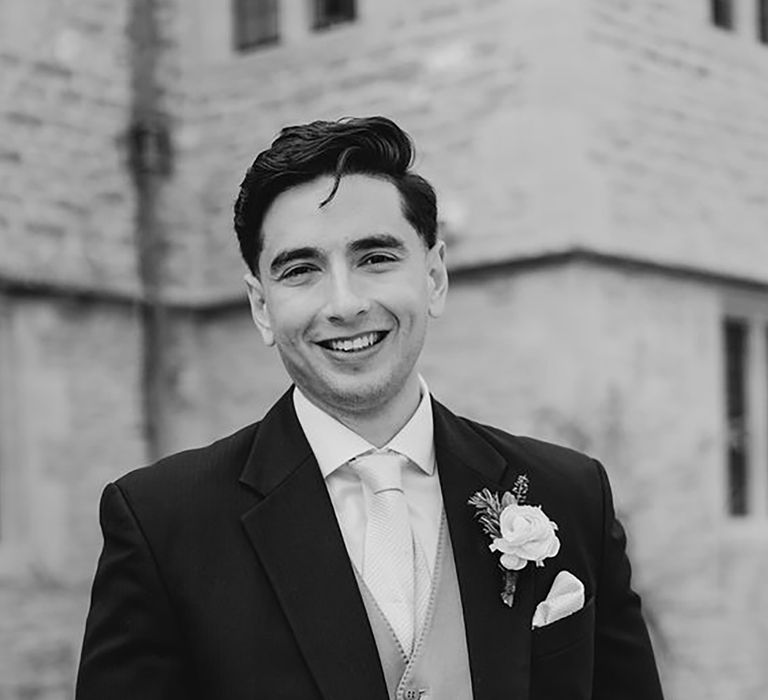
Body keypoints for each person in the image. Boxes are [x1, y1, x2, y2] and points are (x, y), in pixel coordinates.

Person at [76, 116, 664, 700]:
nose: (345, 303)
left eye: (376, 258)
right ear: (261, 306)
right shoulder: (161, 525)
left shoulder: (571, 495)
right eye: (301, 270)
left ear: (433, 277)